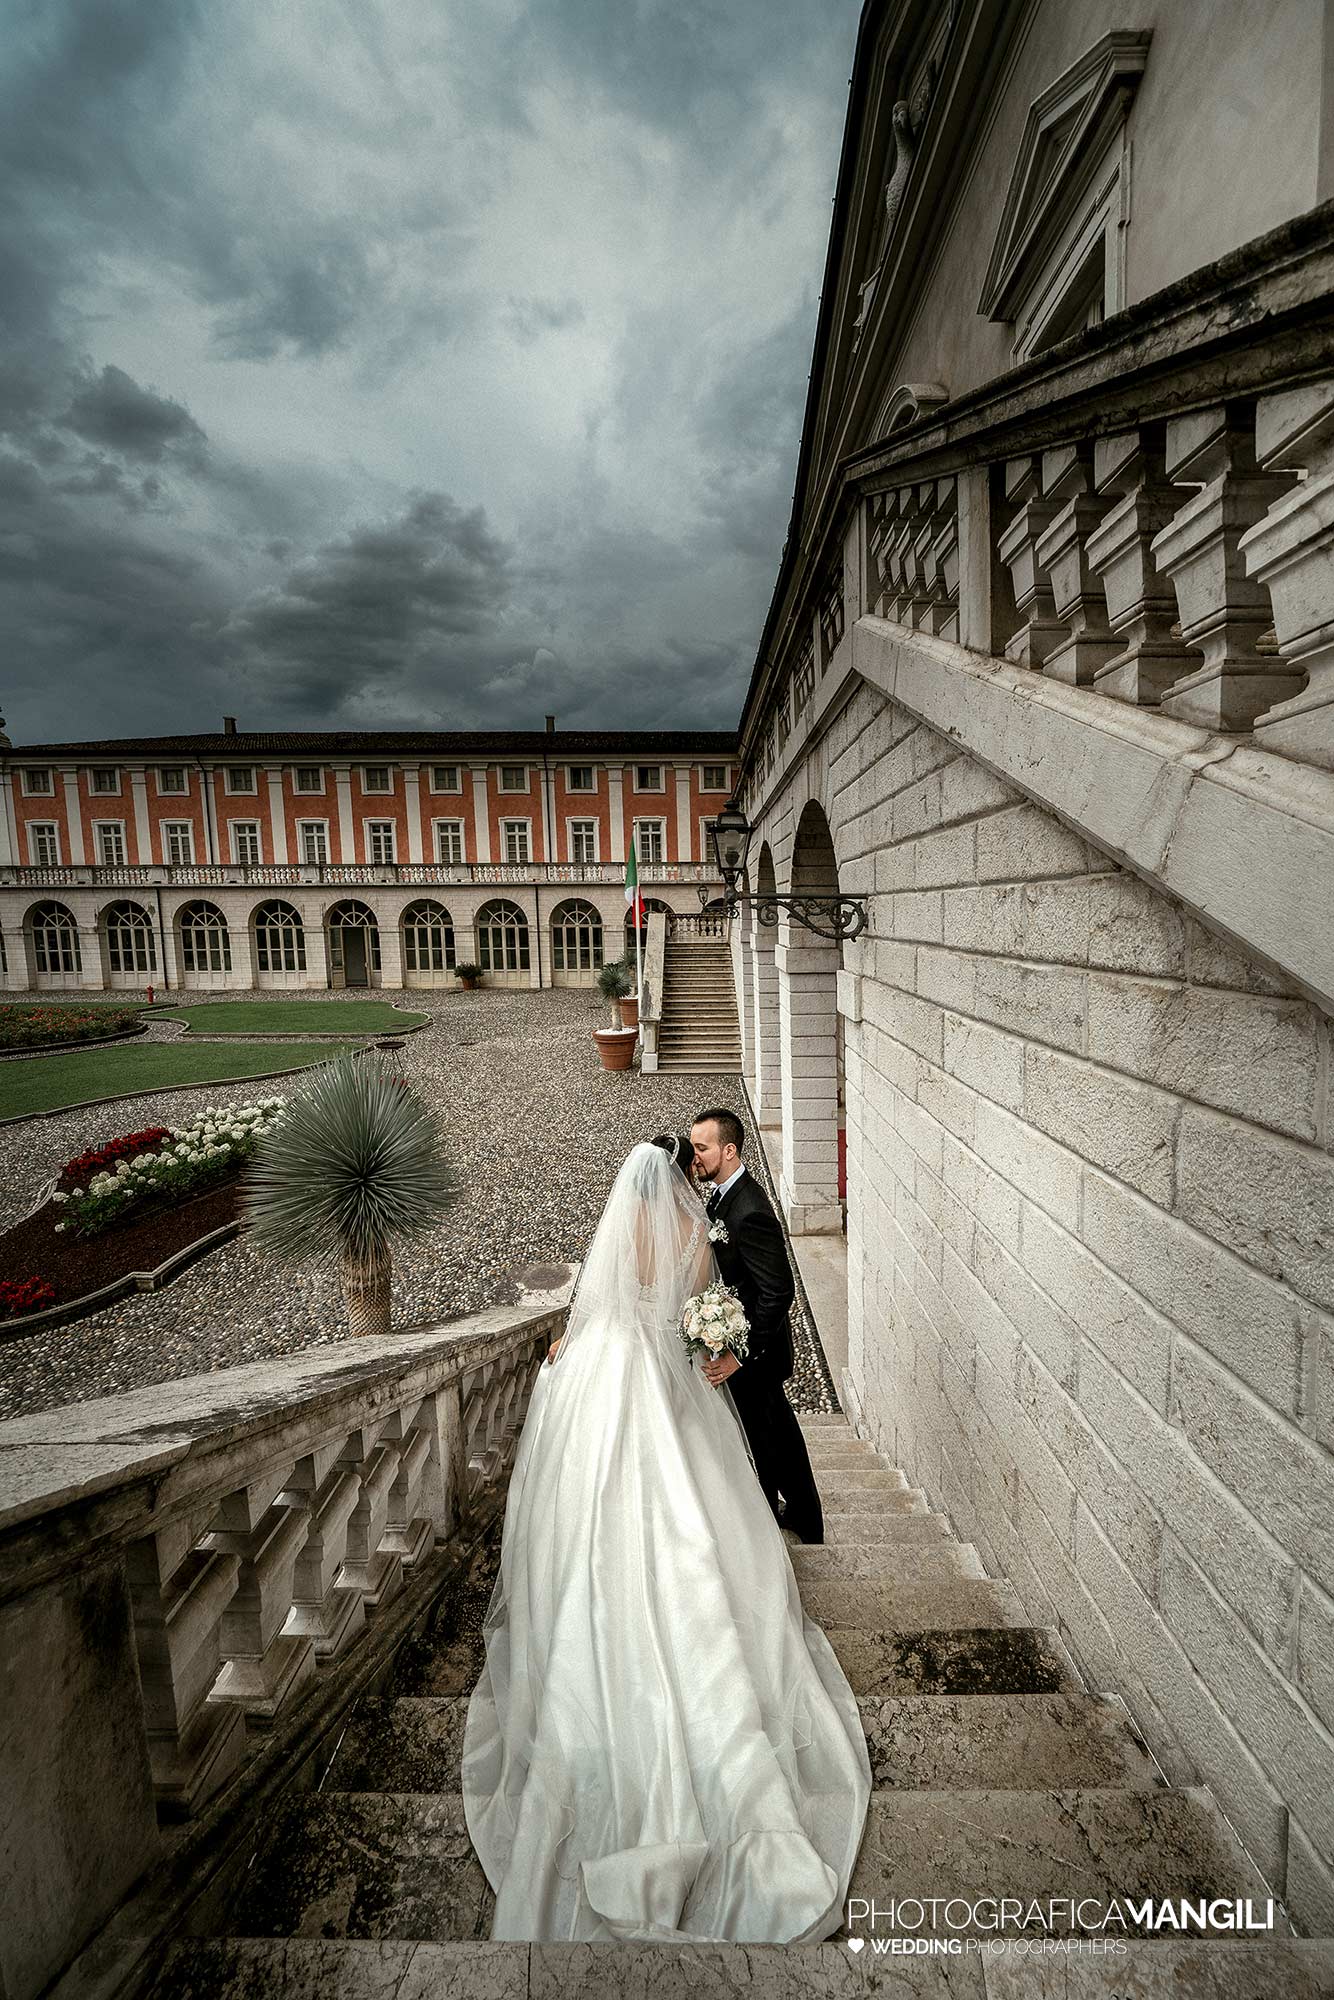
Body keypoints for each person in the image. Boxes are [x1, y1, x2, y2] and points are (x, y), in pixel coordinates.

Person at [461, 1141, 870, 1943]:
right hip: (661, 1381)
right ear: (682, 1176)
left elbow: (593, 1308)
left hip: (601, 1375)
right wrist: (712, 1343)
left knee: (589, 1514)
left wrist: (565, 1350)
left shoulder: (620, 1229)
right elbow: (698, 1322)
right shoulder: (691, 1233)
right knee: (694, 1517)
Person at [688, 1108, 825, 1545]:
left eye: (702, 1147)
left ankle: (779, 1531)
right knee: (776, 1437)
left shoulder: (750, 1210)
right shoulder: (722, 1194)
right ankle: (801, 1515)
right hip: (742, 1343)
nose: (695, 1156)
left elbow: (777, 1293)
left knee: (769, 1443)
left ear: (729, 1151)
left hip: (756, 1355)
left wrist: (736, 1355)